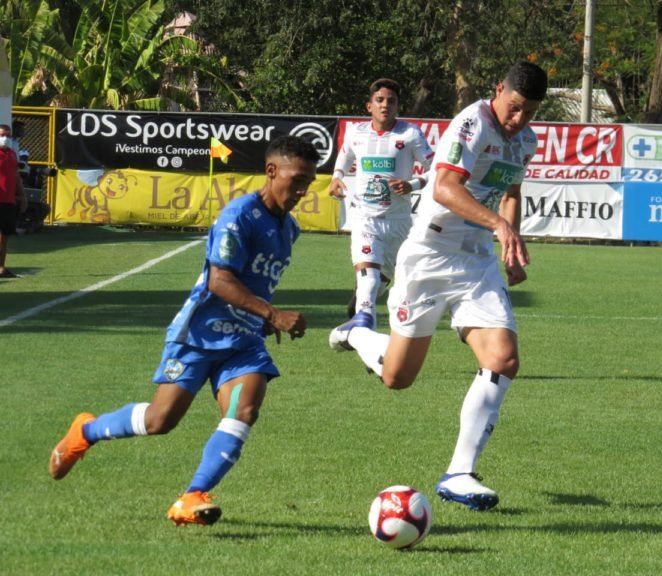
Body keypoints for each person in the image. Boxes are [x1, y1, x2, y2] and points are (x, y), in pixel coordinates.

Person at [48, 135, 321, 526]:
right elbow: (219, 281)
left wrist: (262, 317)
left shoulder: (288, 228)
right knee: (161, 421)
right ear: (272, 171)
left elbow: (255, 282)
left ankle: (192, 495)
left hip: (244, 341)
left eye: (309, 182)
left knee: (245, 409)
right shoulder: (239, 215)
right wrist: (272, 314)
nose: (302, 190)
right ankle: (85, 431)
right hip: (201, 334)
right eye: (297, 179)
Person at [329, 62, 547, 511]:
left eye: (529, 112)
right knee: (397, 378)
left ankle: (459, 473)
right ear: (497, 91)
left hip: (477, 261)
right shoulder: (472, 122)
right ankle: (356, 331)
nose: (519, 120)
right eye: (514, 108)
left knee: (503, 359)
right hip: (428, 254)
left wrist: (509, 242)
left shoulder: (525, 141)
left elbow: (509, 193)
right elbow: (446, 188)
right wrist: (500, 228)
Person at [329, 78, 435, 326]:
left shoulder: (410, 134)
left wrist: (413, 184)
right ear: (369, 106)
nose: (385, 105)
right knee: (370, 280)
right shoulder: (356, 132)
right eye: (379, 100)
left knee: (381, 281)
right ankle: (365, 333)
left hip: (398, 222)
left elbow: (439, 169)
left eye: (391, 101)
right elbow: (344, 156)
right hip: (364, 217)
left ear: (398, 106)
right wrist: (336, 178)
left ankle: (362, 303)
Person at [0, 124, 27, 278]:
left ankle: (2, 267)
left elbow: (16, 176)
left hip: (8, 201)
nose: (5, 138)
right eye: (2, 135)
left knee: (5, 235)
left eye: (8, 136)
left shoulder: (11, 154)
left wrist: (22, 196)